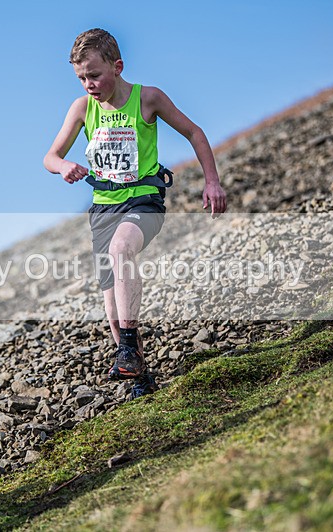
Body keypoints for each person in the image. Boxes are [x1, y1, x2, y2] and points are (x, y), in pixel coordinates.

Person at [44, 29, 227, 399]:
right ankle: (139, 371)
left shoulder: (149, 98)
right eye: (81, 78)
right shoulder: (82, 109)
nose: (88, 84)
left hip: (144, 199)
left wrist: (212, 182)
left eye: (94, 75)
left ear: (118, 66)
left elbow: (195, 132)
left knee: (122, 248)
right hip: (103, 208)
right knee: (112, 309)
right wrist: (63, 166)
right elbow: (49, 156)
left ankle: (127, 350)